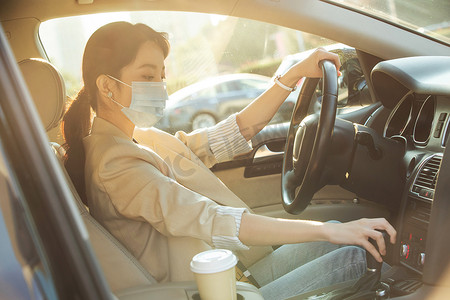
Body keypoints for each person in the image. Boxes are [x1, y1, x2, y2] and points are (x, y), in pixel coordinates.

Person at [62, 21, 396, 299]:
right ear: (107, 86)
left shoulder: (139, 138)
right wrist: (323, 232)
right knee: (356, 253)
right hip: (206, 291)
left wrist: (290, 77)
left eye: (162, 75)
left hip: (229, 272)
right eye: (148, 76)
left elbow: (228, 135)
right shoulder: (114, 165)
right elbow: (210, 218)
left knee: (346, 235)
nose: (161, 87)